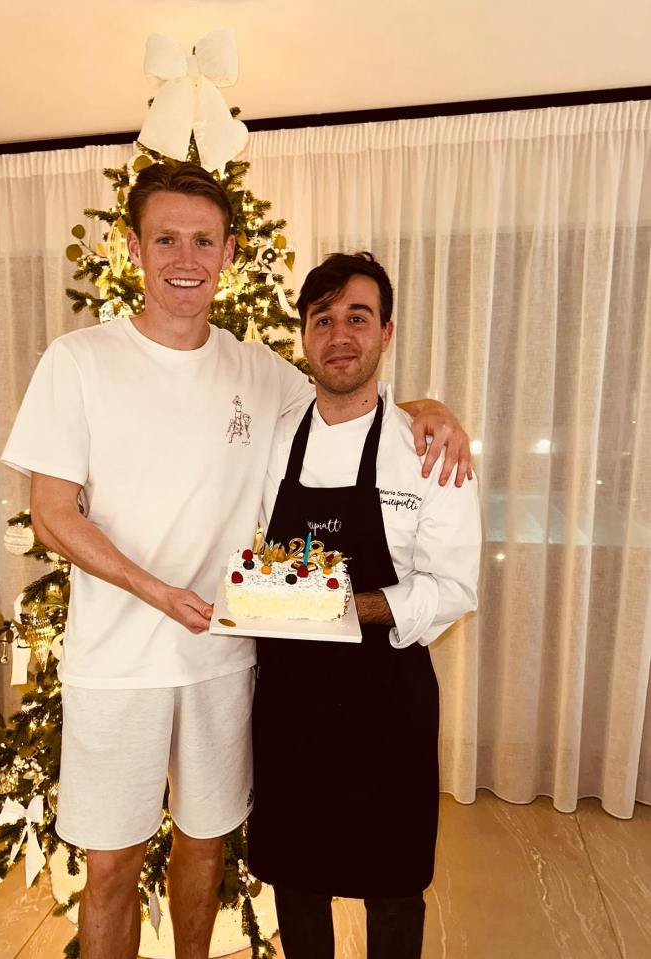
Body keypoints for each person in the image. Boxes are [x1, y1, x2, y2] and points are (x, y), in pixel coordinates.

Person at [0, 164, 471, 959]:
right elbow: (52, 513)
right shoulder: (77, 360)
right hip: (117, 662)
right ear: (134, 248)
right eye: (167, 238)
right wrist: (159, 592)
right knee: (111, 866)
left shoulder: (259, 370)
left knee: (207, 847)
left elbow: (348, 390)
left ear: (227, 253)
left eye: (204, 240)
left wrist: (430, 411)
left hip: (226, 661)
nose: (186, 257)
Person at [247, 252, 482, 959]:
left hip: (388, 702)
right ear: (304, 338)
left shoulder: (427, 451)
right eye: (323, 319)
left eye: (357, 316)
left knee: (393, 882)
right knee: (295, 875)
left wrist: (336, 604)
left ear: (386, 330)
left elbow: (454, 587)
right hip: (289, 701)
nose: (340, 334)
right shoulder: (271, 438)